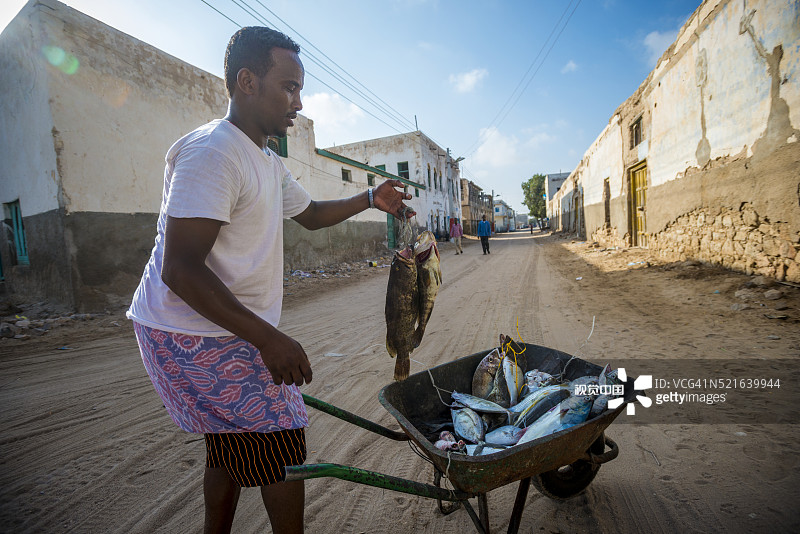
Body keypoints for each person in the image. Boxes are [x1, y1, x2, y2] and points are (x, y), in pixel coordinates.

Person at [126, 27, 414, 534]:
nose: (298, 103)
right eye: (288, 87)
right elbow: (180, 268)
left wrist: (372, 198)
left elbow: (311, 213)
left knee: (232, 441)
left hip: (212, 328)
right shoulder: (214, 152)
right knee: (281, 432)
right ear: (247, 82)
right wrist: (267, 337)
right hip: (186, 331)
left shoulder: (264, 157)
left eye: (300, 90)